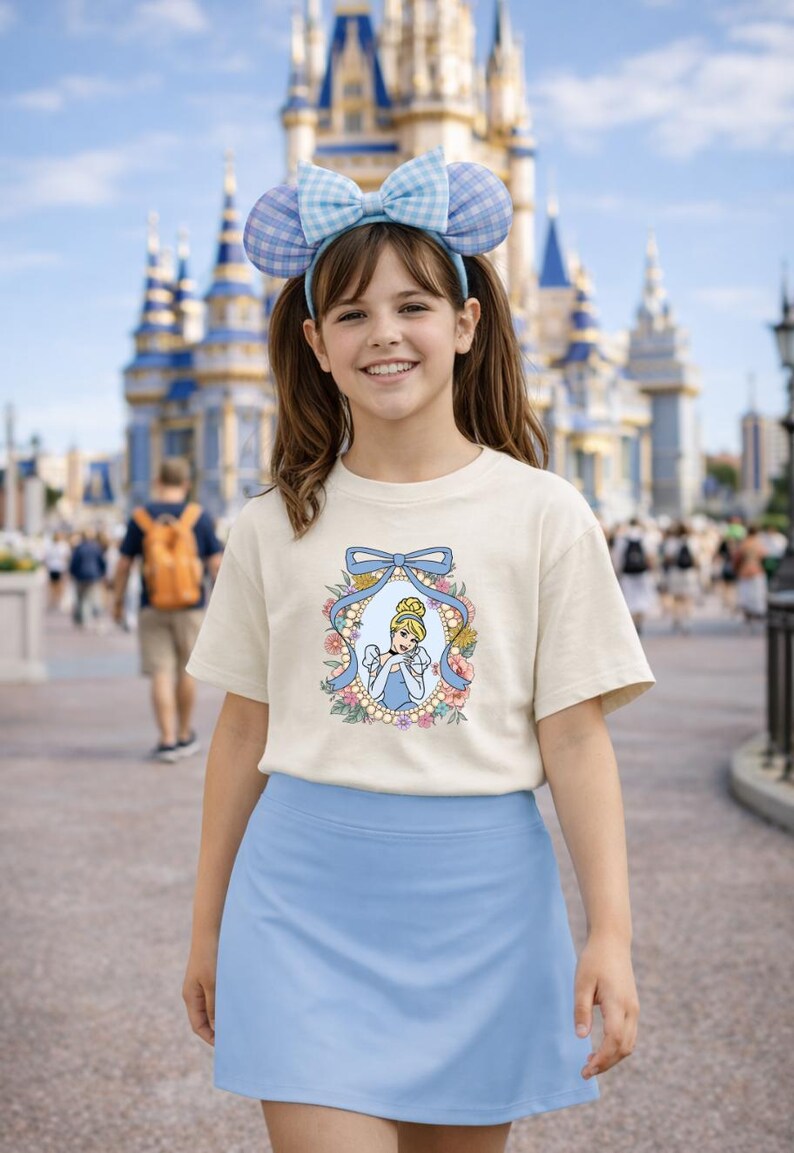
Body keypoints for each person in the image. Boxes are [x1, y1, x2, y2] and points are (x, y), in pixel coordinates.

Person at [181, 148, 656, 1153]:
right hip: (299, 902)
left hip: (480, 908)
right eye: (350, 313)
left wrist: (608, 930)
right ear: (312, 341)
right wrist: (205, 922)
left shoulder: (542, 511)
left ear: (465, 323)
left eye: (412, 307)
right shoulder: (271, 523)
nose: (383, 334)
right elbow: (240, 734)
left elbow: (572, 740)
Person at [113, 457, 223, 763]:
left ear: (157, 482)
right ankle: (186, 734)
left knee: (160, 673)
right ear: (186, 485)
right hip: (191, 607)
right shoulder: (198, 517)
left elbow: (124, 564)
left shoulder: (141, 518)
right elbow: (216, 564)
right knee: (186, 671)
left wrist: (118, 601)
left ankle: (166, 739)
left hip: (153, 606)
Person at [612, 517, 656, 635]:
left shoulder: (621, 539)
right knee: (642, 598)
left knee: (630, 598)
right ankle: (639, 621)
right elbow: (650, 556)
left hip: (627, 573)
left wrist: (618, 572)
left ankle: (632, 623)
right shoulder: (645, 537)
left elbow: (618, 558)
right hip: (642, 572)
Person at [661, 521, 699, 635]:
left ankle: (677, 618)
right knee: (688, 598)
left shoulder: (671, 542)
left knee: (677, 598)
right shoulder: (693, 541)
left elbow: (667, 558)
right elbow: (696, 559)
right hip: (689, 573)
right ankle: (688, 620)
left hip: (675, 571)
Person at [68, 528, 106, 629]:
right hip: (93, 576)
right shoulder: (96, 548)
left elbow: (74, 563)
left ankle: (84, 621)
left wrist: (72, 573)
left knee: (81, 599)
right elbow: (102, 562)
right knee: (94, 599)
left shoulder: (79, 548)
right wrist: (102, 573)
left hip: (80, 576)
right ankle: (98, 621)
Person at [733, 524, 767, 632]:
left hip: (744, 571)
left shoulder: (743, 544)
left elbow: (736, 558)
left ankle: (748, 617)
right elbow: (764, 555)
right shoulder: (758, 543)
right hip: (756, 571)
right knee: (757, 596)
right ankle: (756, 618)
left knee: (745, 596)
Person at [43, 530, 71, 611]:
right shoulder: (50, 546)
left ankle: (58, 600)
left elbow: (66, 558)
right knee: (53, 585)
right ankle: (53, 600)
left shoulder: (63, 546)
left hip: (60, 568)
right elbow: (46, 557)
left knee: (59, 585)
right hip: (53, 567)